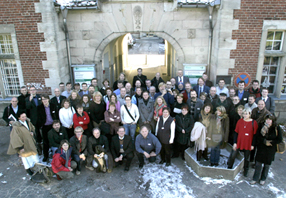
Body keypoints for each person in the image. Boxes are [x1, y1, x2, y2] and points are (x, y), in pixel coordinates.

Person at [250, 114, 283, 185]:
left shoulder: (276, 128)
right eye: (267, 119)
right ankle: (255, 178)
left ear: (272, 120)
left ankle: (263, 178)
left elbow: (279, 139)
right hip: (261, 148)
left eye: (270, 119)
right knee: (258, 164)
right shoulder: (261, 126)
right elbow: (257, 136)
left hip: (270, 149)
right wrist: (264, 141)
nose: (268, 121)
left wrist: (271, 142)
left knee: (267, 165)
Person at [227, 108, 258, 177]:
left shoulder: (254, 122)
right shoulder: (240, 121)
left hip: (248, 143)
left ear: (250, 114)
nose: (245, 115)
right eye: (244, 113)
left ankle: (246, 170)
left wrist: (253, 144)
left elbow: (255, 135)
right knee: (233, 155)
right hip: (239, 141)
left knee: (246, 158)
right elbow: (236, 132)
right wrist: (235, 142)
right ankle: (229, 167)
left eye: (246, 113)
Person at [37, 94, 58, 162]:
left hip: (53, 126)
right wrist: (41, 125)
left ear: (48, 99)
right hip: (45, 126)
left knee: (55, 139)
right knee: (45, 142)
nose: (45, 101)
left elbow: (56, 115)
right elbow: (38, 118)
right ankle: (46, 156)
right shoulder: (39, 107)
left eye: (46, 99)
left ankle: (55, 154)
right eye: (43, 99)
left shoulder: (53, 106)